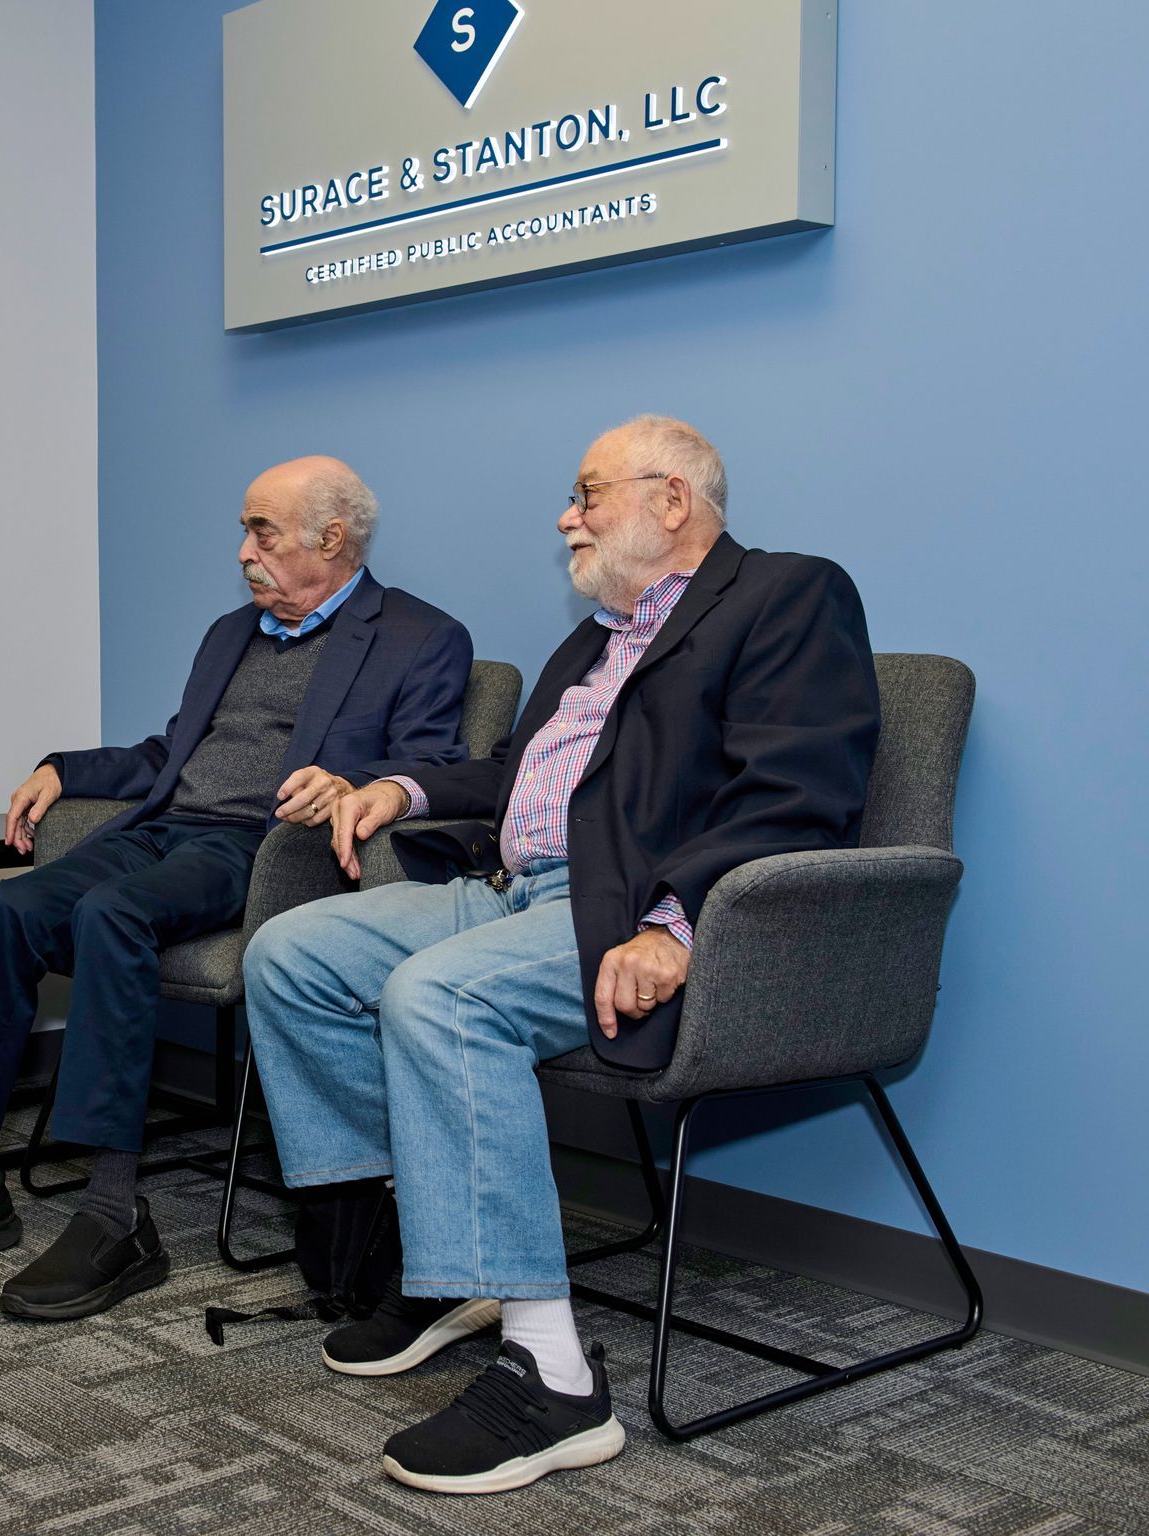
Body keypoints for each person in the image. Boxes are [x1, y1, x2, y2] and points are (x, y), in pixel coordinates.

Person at [242, 417, 880, 1495]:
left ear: (673, 501)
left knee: (434, 998)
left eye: (587, 494)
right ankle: (440, 1262)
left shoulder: (786, 595)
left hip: (621, 906)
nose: (564, 516)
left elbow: (800, 791)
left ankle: (553, 1377)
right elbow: (513, 779)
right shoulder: (594, 638)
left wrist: (675, 926)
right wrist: (401, 789)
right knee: (292, 953)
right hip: (505, 893)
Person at [0, 455, 473, 1320]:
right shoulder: (232, 632)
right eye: (244, 530)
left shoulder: (418, 637)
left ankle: (113, 1211)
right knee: (6, 910)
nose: (244, 550)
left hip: (260, 851)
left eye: (263, 530)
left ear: (332, 538)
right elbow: (166, 756)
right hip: (160, 831)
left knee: (113, 915)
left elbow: (437, 767)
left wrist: (354, 783)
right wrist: (62, 768)